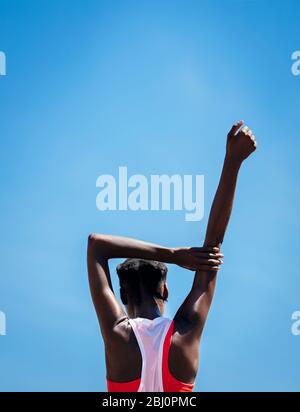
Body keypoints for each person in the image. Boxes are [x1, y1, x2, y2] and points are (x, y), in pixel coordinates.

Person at [87, 120, 257, 392]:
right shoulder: (185, 333)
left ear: (122, 293)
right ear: (164, 289)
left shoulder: (118, 335)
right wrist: (233, 162)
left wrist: (173, 255)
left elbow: (96, 245)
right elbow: (213, 244)